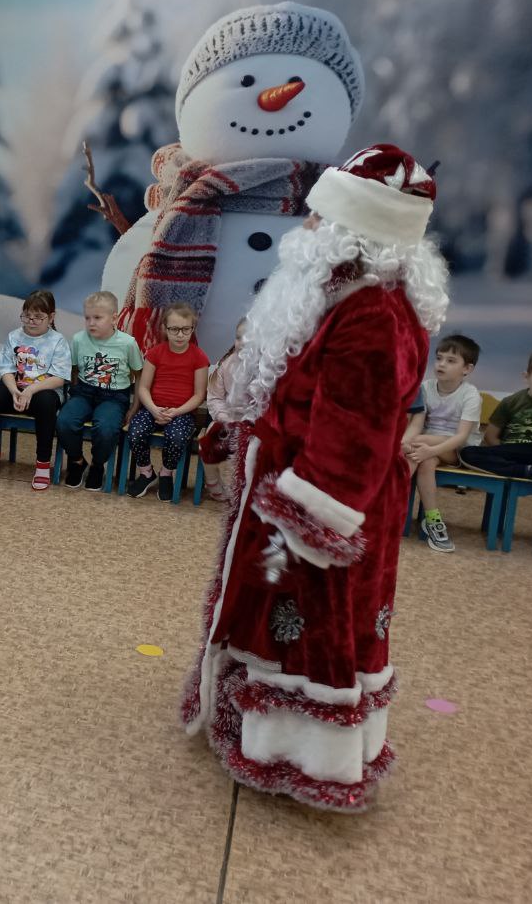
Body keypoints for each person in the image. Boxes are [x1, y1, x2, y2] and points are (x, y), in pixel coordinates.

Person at [181, 143, 448, 813]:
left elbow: (356, 432)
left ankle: (301, 756)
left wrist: (308, 521)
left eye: (320, 216)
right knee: (267, 614)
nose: (305, 226)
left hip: (318, 506)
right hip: (285, 486)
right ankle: (252, 726)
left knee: (306, 625)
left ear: (354, 229)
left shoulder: (373, 312)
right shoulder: (337, 291)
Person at [0, 290, 71, 490]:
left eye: (38, 317)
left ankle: (43, 463)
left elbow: (59, 378)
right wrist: (14, 391)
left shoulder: (58, 340)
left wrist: (30, 391)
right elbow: (6, 370)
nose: (31, 322)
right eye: (27, 316)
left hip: (43, 391)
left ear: (51, 317)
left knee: (46, 404)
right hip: (16, 389)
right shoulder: (14, 336)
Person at [400, 334, 482, 553]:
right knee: (424, 462)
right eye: (439, 358)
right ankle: (432, 519)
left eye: (451, 360)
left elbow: (461, 437)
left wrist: (425, 447)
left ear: (467, 369)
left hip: (458, 450)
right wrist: (414, 446)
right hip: (427, 448)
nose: (441, 364)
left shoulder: (470, 394)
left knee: (417, 444)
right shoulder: (425, 388)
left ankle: (385, 502)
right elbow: (417, 423)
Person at [460, 347, 532, 557]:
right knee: (468, 452)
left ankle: (528, 469)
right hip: (511, 452)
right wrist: (503, 454)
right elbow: (490, 437)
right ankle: (526, 470)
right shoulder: (511, 402)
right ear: (526, 377)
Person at [58, 290, 143, 491]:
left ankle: (97, 465)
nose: (91, 323)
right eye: (87, 318)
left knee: (106, 428)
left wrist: (134, 407)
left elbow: (139, 374)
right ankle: (78, 461)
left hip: (114, 397)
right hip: (84, 392)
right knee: (65, 421)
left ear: (114, 318)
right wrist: (73, 395)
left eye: (97, 318)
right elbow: (74, 369)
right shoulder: (79, 339)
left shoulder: (127, 343)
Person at [126, 304, 209, 501]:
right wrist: (154, 409)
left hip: (182, 413)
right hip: (152, 408)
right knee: (135, 431)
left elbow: (199, 395)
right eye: (174, 329)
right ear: (165, 328)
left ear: (192, 329)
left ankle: (166, 473)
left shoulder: (199, 357)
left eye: (185, 329)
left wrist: (176, 412)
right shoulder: (155, 353)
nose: (180, 335)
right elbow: (143, 388)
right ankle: (147, 472)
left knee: (177, 436)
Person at [199, 319, 247, 503]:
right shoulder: (227, 364)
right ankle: (213, 482)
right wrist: (225, 418)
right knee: (208, 442)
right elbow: (214, 397)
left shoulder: (268, 367)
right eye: (239, 338)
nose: (243, 342)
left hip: (255, 424)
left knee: (248, 450)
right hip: (228, 419)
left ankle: (242, 489)